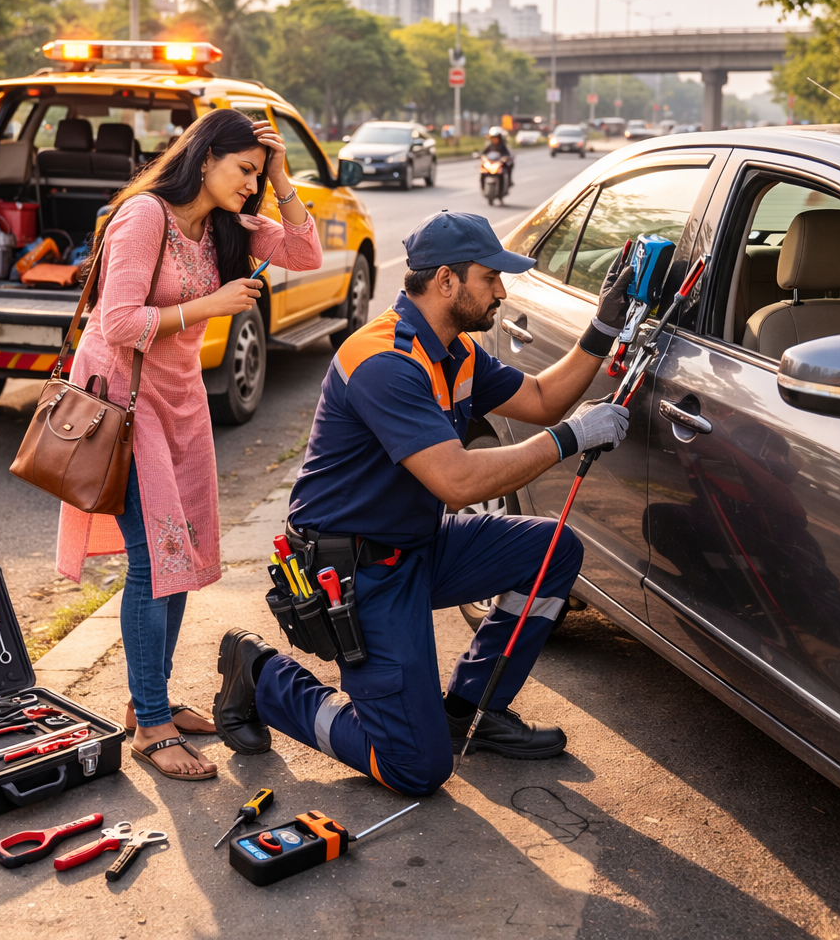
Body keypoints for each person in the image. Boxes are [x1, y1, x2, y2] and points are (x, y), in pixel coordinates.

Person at [212, 209, 636, 796]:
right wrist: (572, 438)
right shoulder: (385, 360)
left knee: (552, 551)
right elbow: (457, 482)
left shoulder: (454, 349)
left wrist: (604, 327)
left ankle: (470, 712)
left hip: (416, 544)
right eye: (491, 279)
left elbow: (540, 399)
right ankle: (260, 677)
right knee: (415, 768)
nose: (502, 292)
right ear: (446, 282)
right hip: (357, 572)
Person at [56, 108, 322, 781]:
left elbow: (306, 253)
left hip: (178, 403)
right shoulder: (147, 215)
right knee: (153, 563)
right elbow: (115, 321)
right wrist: (211, 307)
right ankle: (149, 725)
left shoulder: (227, 226)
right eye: (242, 170)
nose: (248, 185)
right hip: (124, 401)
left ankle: (152, 702)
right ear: (204, 158)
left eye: (255, 175)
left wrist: (282, 177)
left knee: (177, 562)